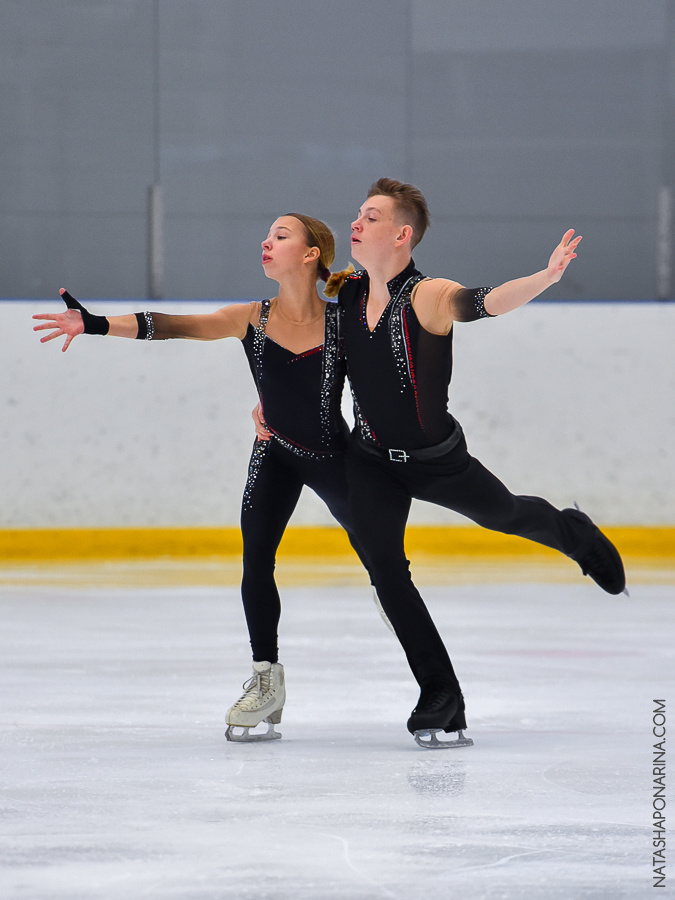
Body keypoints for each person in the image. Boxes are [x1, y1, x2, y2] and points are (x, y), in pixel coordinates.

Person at [257, 178, 626, 750]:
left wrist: (546, 277)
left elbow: (485, 301)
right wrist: (273, 403)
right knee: (386, 571)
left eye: (371, 217)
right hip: (371, 461)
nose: (356, 223)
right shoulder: (347, 291)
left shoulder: (427, 295)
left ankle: (573, 533)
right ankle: (441, 697)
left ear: (401, 235)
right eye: (358, 214)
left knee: (505, 514)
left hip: (437, 460)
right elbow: (307, 341)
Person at [33, 213, 365, 743]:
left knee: (384, 562)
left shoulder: (344, 321)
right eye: (267, 235)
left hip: (335, 456)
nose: (265, 241)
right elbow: (174, 325)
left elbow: (380, 383)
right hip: (275, 452)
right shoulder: (250, 317)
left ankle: (429, 673)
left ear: (310, 254)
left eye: (280, 236)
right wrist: (95, 324)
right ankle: (266, 680)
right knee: (256, 559)